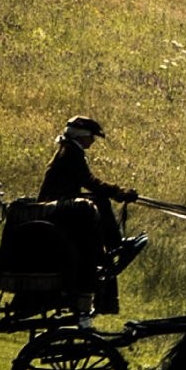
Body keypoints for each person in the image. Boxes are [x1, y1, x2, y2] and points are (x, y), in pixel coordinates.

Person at [37, 116, 140, 311]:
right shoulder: (72, 153)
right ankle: (115, 243)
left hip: (59, 203)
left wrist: (115, 193)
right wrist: (117, 192)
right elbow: (89, 181)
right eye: (92, 137)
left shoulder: (70, 150)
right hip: (56, 207)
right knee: (99, 201)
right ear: (82, 136)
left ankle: (113, 243)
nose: (93, 141)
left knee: (98, 200)